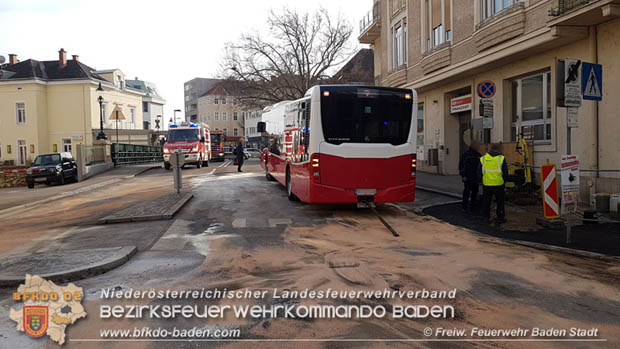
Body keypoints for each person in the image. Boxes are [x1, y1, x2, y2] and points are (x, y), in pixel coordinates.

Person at [478, 143, 508, 224]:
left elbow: (479, 172)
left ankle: (485, 217)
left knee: (486, 201)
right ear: (498, 149)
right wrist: (504, 181)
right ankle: (500, 217)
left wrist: (480, 181)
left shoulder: (483, 158)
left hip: (487, 184)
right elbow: (505, 172)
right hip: (499, 184)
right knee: (500, 202)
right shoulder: (501, 158)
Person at [459, 140, 482, 212]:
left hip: (475, 177)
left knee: (474, 192)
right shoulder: (466, 155)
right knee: (467, 192)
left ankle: (472, 207)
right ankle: (465, 207)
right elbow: (461, 166)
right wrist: (463, 176)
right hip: (468, 177)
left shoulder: (478, 155)